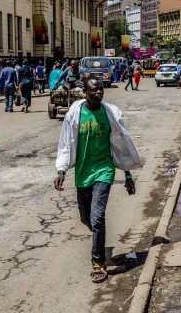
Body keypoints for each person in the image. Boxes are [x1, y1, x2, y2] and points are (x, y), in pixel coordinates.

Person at [54, 79, 140, 283]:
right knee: (87, 218)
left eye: (101, 89)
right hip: (83, 173)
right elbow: (65, 144)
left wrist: (127, 174)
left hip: (104, 170)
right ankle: (98, 237)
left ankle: (98, 262)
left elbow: (122, 147)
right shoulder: (74, 115)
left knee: (98, 217)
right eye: (94, 89)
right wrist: (61, 170)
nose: (99, 92)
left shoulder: (111, 114)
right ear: (84, 92)